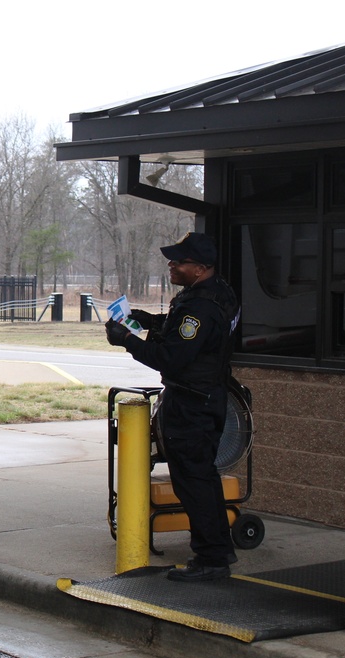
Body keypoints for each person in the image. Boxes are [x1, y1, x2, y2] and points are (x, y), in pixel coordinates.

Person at [105, 232, 240, 582]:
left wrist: (127, 340)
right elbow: (187, 335)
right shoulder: (215, 294)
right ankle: (216, 553)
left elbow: (173, 357)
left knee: (194, 482)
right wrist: (149, 321)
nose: (172, 265)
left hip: (192, 403)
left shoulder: (200, 307)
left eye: (179, 261)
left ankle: (211, 561)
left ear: (200, 268)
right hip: (205, 397)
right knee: (202, 479)